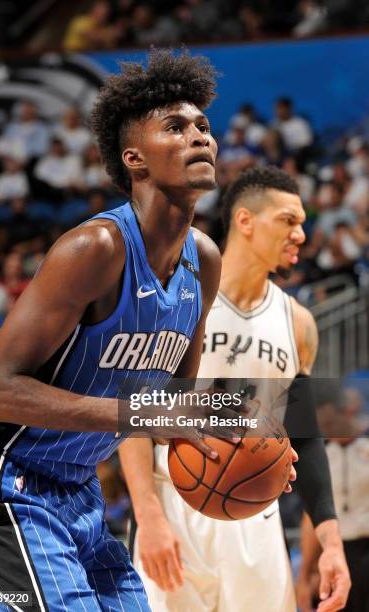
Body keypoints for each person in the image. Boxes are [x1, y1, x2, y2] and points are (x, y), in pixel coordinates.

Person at [0, 50, 223, 611]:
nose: (199, 135)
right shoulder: (95, 249)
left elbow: (173, 405)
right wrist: (138, 415)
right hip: (2, 480)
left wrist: (252, 437)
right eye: (175, 128)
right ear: (135, 159)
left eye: (202, 125)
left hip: (78, 488)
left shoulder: (204, 260)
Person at [120, 166, 351, 612]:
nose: (301, 234)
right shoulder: (178, 296)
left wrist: (331, 542)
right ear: (245, 221)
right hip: (174, 501)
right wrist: (147, 516)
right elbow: (136, 411)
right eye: (288, 220)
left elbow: (304, 436)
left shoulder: (298, 323)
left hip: (256, 510)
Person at [297, 396, 369, 612]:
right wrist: (303, 577)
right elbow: (311, 517)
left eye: (330, 422)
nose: (326, 428)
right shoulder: (321, 458)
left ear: (346, 413)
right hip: (336, 549)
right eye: (323, 425)